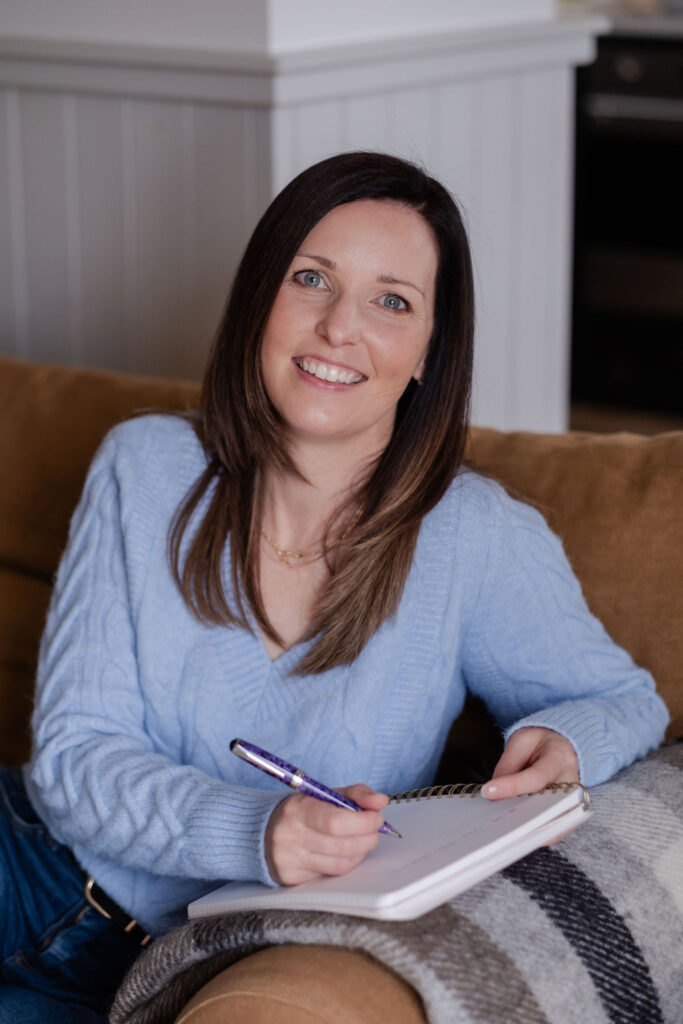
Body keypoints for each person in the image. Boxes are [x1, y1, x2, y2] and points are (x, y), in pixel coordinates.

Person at [0, 151, 668, 1022]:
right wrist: (253, 828)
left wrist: (561, 739)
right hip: (35, 866)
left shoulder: (476, 536)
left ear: (430, 348)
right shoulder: (146, 467)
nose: (337, 327)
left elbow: (622, 699)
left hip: (199, 961)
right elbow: (75, 758)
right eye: (311, 279)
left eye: (391, 300)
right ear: (258, 305)